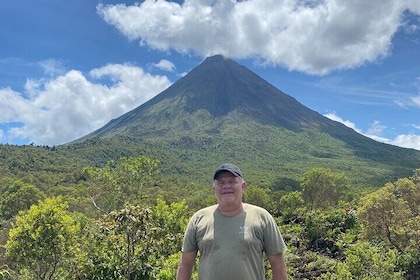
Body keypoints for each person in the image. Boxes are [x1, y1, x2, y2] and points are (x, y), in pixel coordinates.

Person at [177, 163, 288, 280]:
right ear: (214, 188)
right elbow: (186, 264)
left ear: (243, 186)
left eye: (232, 181)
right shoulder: (198, 219)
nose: (226, 186)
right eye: (221, 183)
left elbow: (277, 264)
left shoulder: (262, 217)